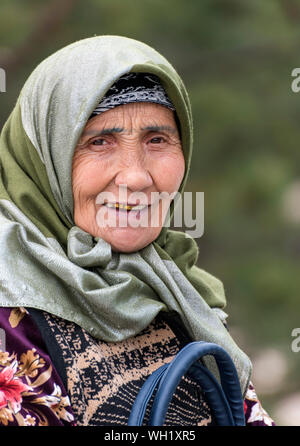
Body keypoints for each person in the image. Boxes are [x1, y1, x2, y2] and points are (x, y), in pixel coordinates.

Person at [0, 35, 274, 426]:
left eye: (157, 139)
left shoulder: (177, 288)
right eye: (100, 142)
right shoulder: (11, 312)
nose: (136, 177)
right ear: (44, 158)